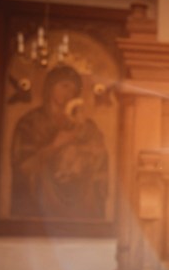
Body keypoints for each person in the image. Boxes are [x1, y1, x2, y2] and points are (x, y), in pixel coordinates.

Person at [11, 65, 108, 219]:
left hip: (81, 205)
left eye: (74, 89)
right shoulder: (30, 122)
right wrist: (55, 145)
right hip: (40, 205)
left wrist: (83, 149)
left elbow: (100, 163)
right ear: (50, 87)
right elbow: (23, 168)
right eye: (64, 86)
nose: (69, 93)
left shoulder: (87, 126)